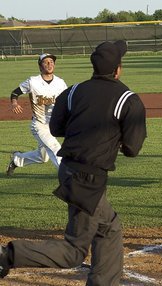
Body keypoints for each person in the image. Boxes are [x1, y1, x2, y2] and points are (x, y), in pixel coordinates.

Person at [0, 40, 147, 285]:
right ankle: (7, 256)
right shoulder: (128, 99)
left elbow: (56, 127)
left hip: (69, 168)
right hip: (87, 178)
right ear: (118, 69)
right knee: (73, 252)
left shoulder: (73, 91)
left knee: (108, 227)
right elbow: (132, 149)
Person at [6, 53, 67, 176]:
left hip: (54, 125)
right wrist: (14, 103)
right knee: (56, 149)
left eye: (51, 61)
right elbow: (15, 93)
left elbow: (67, 101)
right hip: (39, 125)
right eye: (46, 62)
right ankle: (68, 179)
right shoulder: (33, 82)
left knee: (42, 157)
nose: (49, 64)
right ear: (40, 66)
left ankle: (16, 160)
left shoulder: (60, 83)